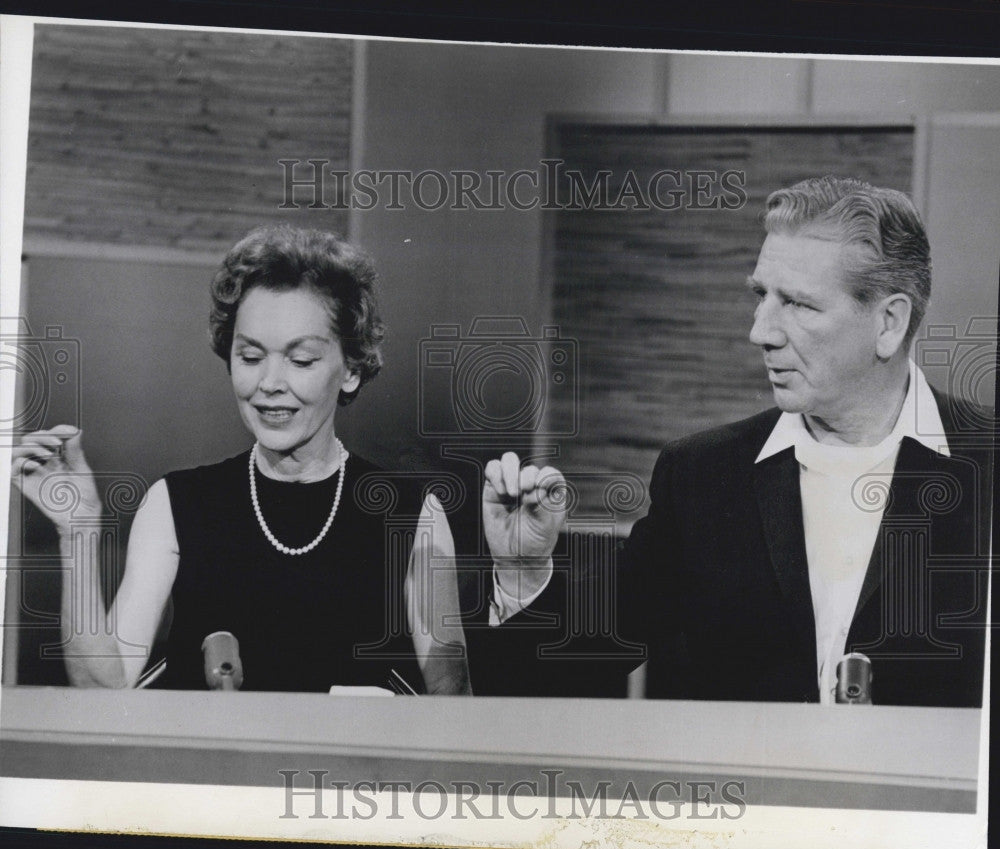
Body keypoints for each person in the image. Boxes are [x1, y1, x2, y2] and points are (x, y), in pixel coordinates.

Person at [479, 176, 991, 706]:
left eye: (797, 304)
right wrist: (523, 573)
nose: (761, 331)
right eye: (761, 295)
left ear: (889, 322)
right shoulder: (702, 475)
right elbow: (551, 678)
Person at [11, 226, 558, 695]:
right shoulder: (176, 503)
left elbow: (450, 697)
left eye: (300, 359)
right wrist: (77, 534)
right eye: (250, 356)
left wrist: (516, 573)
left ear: (350, 369)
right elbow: (104, 689)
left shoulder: (411, 514)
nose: (270, 384)